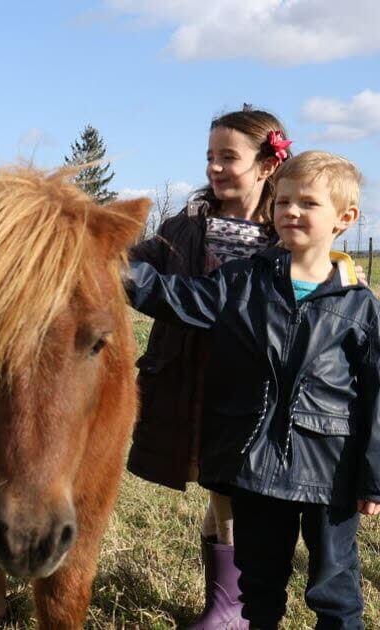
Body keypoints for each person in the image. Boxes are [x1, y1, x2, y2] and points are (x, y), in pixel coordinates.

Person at [125, 151, 377, 628]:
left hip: (332, 473)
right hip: (256, 468)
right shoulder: (240, 282)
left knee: (335, 588)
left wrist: (373, 478)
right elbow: (175, 297)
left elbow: (375, 398)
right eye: (282, 201)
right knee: (259, 585)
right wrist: (107, 266)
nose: (291, 211)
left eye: (308, 203)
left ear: (345, 219)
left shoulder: (359, 305)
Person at [127, 105, 290, 627]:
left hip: (254, 380)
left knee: (236, 485)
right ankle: (225, 602)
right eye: (210, 156)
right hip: (190, 375)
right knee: (220, 483)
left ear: (267, 164)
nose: (215, 168)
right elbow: (133, 261)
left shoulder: (284, 234)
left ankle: (231, 604)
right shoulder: (184, 227)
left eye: (228, 157)